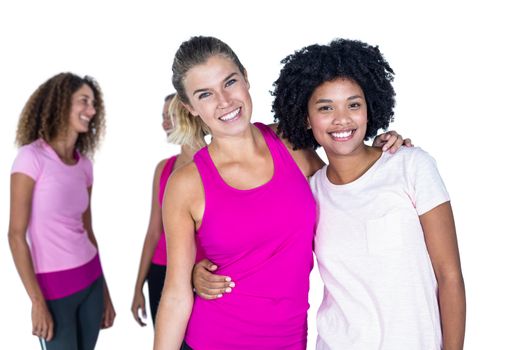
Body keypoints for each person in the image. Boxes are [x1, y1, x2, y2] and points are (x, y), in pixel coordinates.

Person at [153, 36, 407, 350]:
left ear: (245, 77)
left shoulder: (290, 143)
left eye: (229, 82)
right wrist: (194, 273)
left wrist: (385, 153)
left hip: (289, 341)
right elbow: (176, 294)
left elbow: (346, 186)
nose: (224, 101)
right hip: (213, 338)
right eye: (205, 94)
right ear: (191, 107)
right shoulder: (185, 184)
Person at [271, 39, 465, 349]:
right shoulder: (310, 193)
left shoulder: (411, 166)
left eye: (353, 104)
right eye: (325, 108)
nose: (342, 119)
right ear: (306, 118)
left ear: (369, 107)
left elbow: (449, 276)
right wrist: (198, 271)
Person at [8, 72, 116, 350]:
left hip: (91, 281)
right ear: (60, 103)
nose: (91, 111)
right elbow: (15, 235)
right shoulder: (31, 158)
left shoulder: (85, 166)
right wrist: (36, 302)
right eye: (84, 101)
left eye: (93, 104)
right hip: (54, 291)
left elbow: (88, 230)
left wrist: (105, 291)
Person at [131, 93, 206, 327]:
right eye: (163, 117)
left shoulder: (218, 165)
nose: (164, 123)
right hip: (161, 272)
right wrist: (138, 287)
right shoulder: (163, 168)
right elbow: (154, 231)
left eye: (169, 116)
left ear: (188, 115)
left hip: (205, 275)